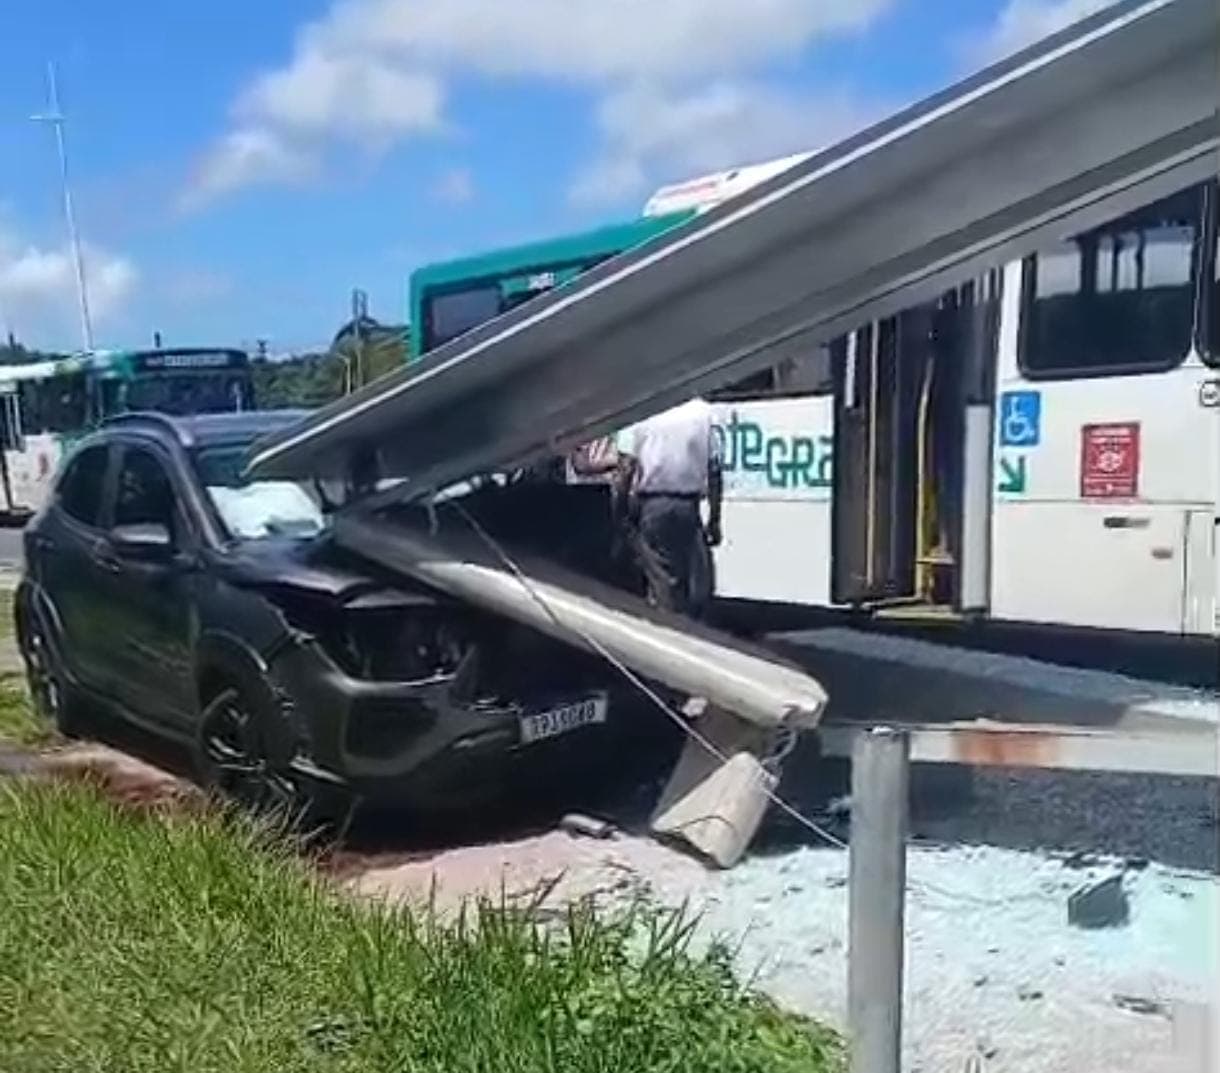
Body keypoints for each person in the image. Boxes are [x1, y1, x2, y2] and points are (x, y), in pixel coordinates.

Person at [615, 397, 723, 618]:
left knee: (663, 581)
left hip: (653, 507)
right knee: (695, 583)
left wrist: (620, 510)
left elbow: (626, 468)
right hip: (689, 509)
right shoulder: (704, 412)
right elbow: (714, 470)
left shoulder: (639, 409)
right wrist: (714, 518)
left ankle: (667, 629)